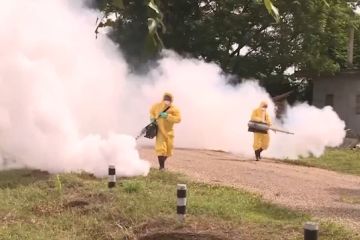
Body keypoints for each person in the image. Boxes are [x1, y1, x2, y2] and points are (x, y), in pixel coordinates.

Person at [150, 92, 181, 170]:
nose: (167, 100)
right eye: (166, 98)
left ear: (171, 100)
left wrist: (167, 116)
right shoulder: (157, 106)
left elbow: (178, 119)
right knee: (161, 148)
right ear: (163, 98)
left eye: (168, 99)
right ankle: (162, 167)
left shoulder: (174, 109)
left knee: (169, 149)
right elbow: (151, 112)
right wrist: (152, 118)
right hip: (160, 130)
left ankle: (162, 162)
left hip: (169, 132)